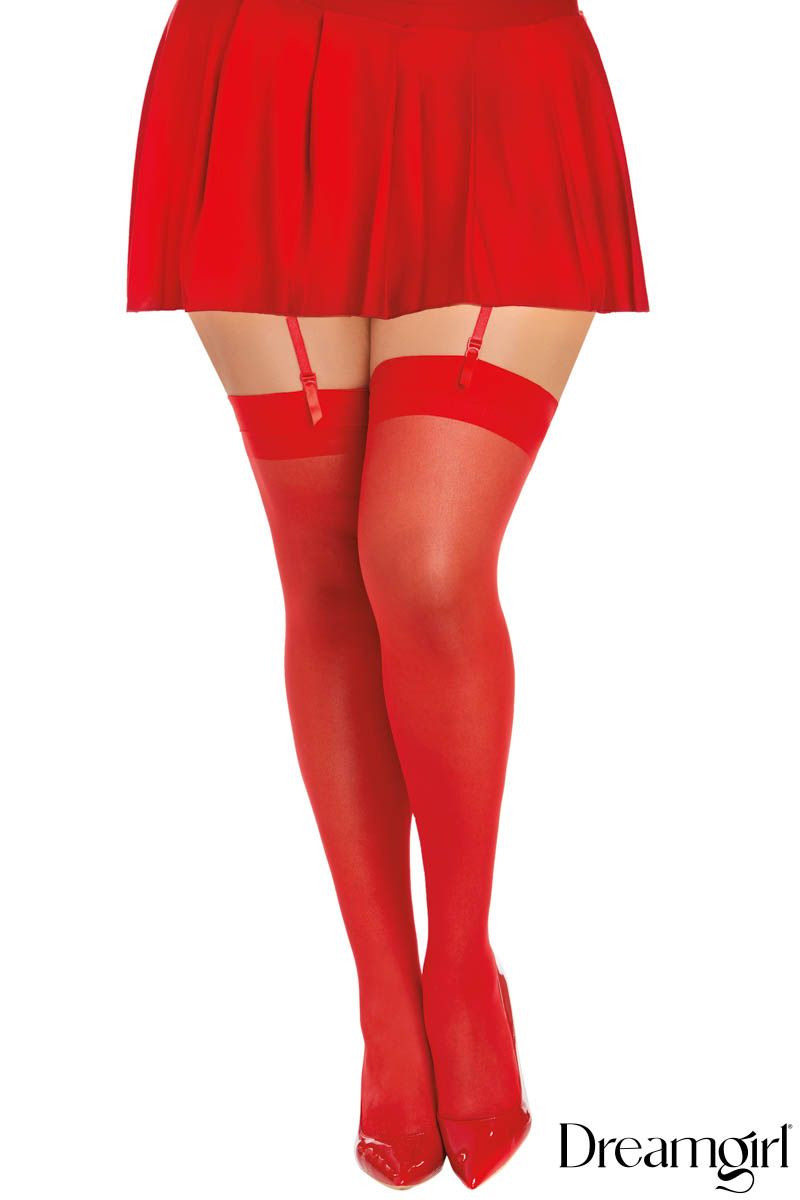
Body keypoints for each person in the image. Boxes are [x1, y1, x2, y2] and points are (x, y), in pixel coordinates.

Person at [126, 0, 649, 1188]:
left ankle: (457, 966)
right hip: (263, 68)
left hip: (495, 69)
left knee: (421, 562)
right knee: (324, 571)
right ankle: (382, 996)